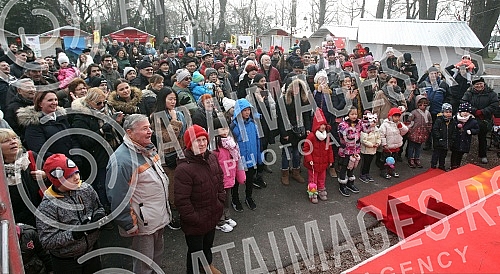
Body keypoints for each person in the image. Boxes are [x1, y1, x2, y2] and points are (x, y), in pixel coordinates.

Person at [106, 114, 171, 274]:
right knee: (144, 265)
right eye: (144, 128)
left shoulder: (147, 148)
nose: (150, 131)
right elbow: (117, 196)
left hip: (156, 217)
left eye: (149, 127)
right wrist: (129, 223)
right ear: (130, 132)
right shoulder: (121, 161)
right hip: (143, 224)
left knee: (156, 257)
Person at [36, 153, 105, 274]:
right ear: (57, 180)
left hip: (92, 251)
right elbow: (47, 241)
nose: (76, 177)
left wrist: (98, 216)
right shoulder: (47, 207)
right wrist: (76, 233)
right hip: (67, 261)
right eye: (69, 176)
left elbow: (98, 207)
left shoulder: (86, 188)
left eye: (76, 172)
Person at [174, 125, 224, 274]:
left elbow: (219, 180)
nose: (202, 143)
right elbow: (182, 201)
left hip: (212, 214)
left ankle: (207, 266)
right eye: (197, 141)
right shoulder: (184, 169)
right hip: (196, 222)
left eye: (204, 140)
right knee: (195, 252)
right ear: (189, 144)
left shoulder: (212, 157)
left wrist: (220, 202)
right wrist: (195, 218)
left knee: (208, 246)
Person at [1, 129, 49, 227]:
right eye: (6, 141)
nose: (13, 142)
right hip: (18, 221)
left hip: (43, 213)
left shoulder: (30, 157)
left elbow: (54, 180)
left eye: (14, 138)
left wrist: (45, 175)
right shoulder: (1, 171)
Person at [17, 90, 77, 160]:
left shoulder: (62, 118)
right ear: (40, 104)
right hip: (53, 165)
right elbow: (39, 150)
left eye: (56, 99)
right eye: (50, 100)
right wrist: (62, 161)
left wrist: (76, 155)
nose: (54, 103)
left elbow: (73, 137)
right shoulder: (34, 124)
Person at [212, 118, 245, 232]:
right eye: (221, 128)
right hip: (220, 179)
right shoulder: (214, 147)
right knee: (219, 200)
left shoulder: (231, 143)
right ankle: (219, 221)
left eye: (226, 128)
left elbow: (236, 159)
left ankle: (226, 217)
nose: (225, 131)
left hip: (229, 176)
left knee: (227, 198)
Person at [278, 78, 311, 185]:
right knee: (286, 153)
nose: (297, 89)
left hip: (299, 131)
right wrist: (284, 133)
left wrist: (308, 129)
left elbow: (307, 116)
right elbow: (280, 118)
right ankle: (285, 173)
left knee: (297, 153)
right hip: (288, 131)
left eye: (299, 87)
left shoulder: (304, 99)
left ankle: (296, 172)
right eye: (294, 86)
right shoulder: (283, 100)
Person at [231, 99, 261, 211]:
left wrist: (259, 157)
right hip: (239, 159)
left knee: (249, 179)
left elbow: (257, 141)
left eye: (249, 110)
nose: (247, 112)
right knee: (237, 181)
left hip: (251, 158)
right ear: (239, 111)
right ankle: (235, 198)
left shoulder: (253, 124)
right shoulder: (234, 126)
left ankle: (249, 197)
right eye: (244, 110)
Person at [461, 76, 498, 164]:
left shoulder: (491, 93)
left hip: (485, 119)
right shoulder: (469, 93)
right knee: (466, 135)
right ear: (473, 85)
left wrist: (483, 112)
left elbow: (495, 104)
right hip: (471, 118)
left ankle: (483, 155)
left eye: (480, 84)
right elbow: (463, 102)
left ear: (484, 84)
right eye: (476, 84)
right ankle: (464, 153)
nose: (479, 86)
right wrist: (474, 110)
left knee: (482, 138)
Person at [303, 109, 333, 203]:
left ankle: (321, 190)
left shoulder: (326, 136)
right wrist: (309, 159)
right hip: (313, 164)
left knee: (321, 178)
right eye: (321, 124)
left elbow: (329, 149)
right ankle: (312, 194)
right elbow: (306, 149)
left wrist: (330, 160)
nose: (323, 126)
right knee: (313, 179)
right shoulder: (311, 136)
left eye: (324, 124)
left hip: (323, 163)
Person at [337, 107, 363, 196]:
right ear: (347, 115)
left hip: (355, 151)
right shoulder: (342, 125)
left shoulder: (359, 123)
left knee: (352, 167)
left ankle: (350, 183)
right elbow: (348, 137)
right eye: (352, 114)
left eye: (356, 114)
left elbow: (365, 130)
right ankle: (342, 185)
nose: (354, 116)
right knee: (344, 167)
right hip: (345, 151)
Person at [379, 107, 408, 179]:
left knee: (393, 160)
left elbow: (405, 131)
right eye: (395, 116)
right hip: (388, 147)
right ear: (390, 116)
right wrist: (384, 144)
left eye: (398, 116)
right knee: (385, 160)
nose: (397, 118)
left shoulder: (399, 124)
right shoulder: (385, 125)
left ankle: (391, 170)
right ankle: (384, 171)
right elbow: (381, 135)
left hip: (396, 146)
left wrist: (401, 127)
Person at [451, 102, 479, 170]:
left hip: (465, 140)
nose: (465, 113)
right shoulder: (455, 119)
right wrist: (456, 126)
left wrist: (471, 131)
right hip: (456, 140)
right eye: (463, 111)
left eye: (467, 111)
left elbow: (477, 129)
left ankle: (457, 165)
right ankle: (453, 165)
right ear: (460, 112)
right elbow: (451, 127)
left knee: (460, 154)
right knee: (454, 153)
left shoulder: (472, 121)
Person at [406, 95, 432, 168]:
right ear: (417, 104)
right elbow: (409, 121)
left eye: (424, 104)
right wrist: (409, 130)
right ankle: (410, 159)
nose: (422, 106)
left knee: (418, 147)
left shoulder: (428, 113)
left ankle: (417, 158)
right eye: (420, 104)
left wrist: (428, 129)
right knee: (411, 147)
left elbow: (430, 122)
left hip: (423, 133)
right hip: (414, 132)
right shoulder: (414, 112)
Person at [431, 103, 455, 171]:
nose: (448, 114)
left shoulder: (452, 121)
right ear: (443, 112)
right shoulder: (439, 120)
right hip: (439, 142)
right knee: (436, 154)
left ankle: (441, 166)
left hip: (447, 141)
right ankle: (433, 165)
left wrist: (452, 138)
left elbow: (454, 130)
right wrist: (438, 137)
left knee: (443, 155)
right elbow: (435, 129)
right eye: (446, 112)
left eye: (450, 112)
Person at [359, 111, 381, 183]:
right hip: (366, 150)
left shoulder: (376, 129)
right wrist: (372, 145)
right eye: (372, 122)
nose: (373, 124)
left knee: (369, 163)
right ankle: (362, 174)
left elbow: (379, 137)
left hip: (373, 150)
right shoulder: (364, 130)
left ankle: (367, 173)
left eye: (375, 122)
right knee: (365, 162)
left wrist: (378, 143)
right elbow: (363, 140)